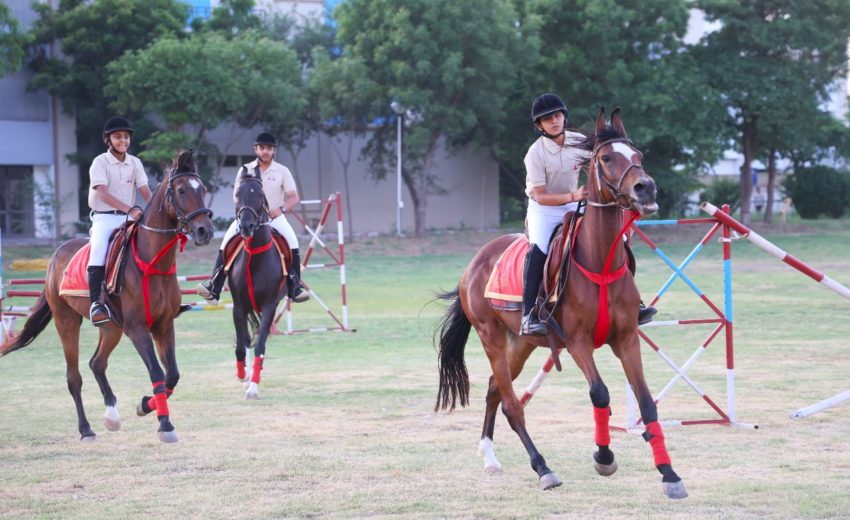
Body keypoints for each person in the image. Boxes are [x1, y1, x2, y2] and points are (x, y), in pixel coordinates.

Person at [519, 93, 655, 336]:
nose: (554, 121)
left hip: (576, 202)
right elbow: (539, 195)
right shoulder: (535, 153)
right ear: (539, 126)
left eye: (558, 115)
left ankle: (634, 301)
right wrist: (573, 197)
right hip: (544, 208)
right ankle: (528, 314)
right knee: (539, 247)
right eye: (547, 119)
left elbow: (610, 158)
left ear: (564, 117)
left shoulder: (578, 141)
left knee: (619, 240)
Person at [197, 132, 309, 304]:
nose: (266, 151)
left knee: (293, 243)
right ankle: (214, 286)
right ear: (255, 149)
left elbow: (294, 197)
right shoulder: (245, 169)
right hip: (248, 217)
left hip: (274, 218)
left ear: (274, 151)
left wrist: (281, 209)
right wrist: (245, 211)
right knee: (225, 242)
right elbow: (236, 195)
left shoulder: (282, 171)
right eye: (262, 147)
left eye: (269, 148)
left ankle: (294, 286)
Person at [87, 116, 153, 326]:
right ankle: (96, 303)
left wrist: (155, 213)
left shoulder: (135, 163)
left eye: (126, 137)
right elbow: (104, 195)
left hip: (129, 219)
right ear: (108, 139)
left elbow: (146, 192)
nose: (123, 140)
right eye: (117, 137)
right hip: (104, 218)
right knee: (98, 249)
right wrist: (131, 209)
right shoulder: (100, 162)